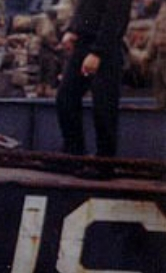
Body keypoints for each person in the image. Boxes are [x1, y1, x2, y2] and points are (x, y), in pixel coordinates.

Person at [55, 0, 134, 157]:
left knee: (104, 107)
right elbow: (85, 6)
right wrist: (73, 30)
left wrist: (98, 53)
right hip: (83, 45)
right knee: (65, 98)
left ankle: (104, 162)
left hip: (106, 50)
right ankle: (74, 154)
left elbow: (115, 18)